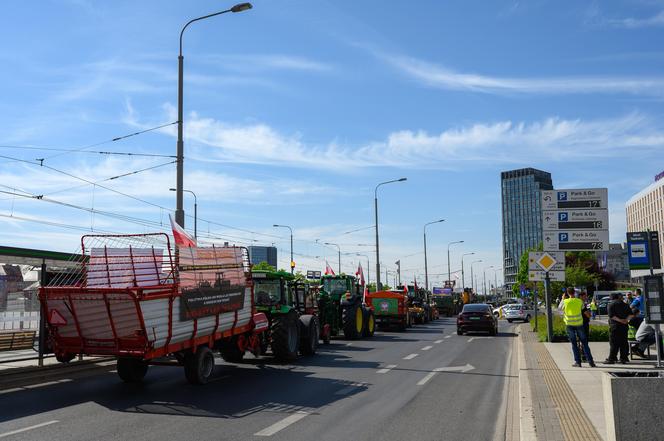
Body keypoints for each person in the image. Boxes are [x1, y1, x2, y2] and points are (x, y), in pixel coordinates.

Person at [559, 287, 595, 367]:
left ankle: (578, 362)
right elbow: (584, 310)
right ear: (574, 292)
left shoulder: (565, 302)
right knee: (584, 343)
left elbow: (560, 309)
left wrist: (562, 299)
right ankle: (591, 361)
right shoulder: (579, 301)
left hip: (569, 325)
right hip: (579, 324)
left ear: (567, 293)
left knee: (574, 344)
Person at [605, 292, 633, 364]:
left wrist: (620, 320)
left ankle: (612, 358)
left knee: (614, 343)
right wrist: (626, 320)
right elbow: (631, 314)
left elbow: (611, 316)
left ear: (612, 298)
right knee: (623, 342)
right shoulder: (625, 304)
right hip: (624, 326)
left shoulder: (611, 304)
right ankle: (623, 358)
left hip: (615, 326)